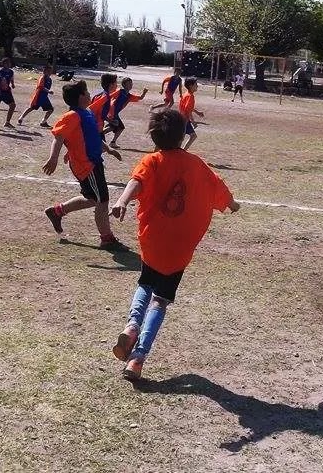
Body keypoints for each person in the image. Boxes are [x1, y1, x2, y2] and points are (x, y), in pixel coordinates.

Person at [110, 108, 239, 380]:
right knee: (160, 301)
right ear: (182, 136)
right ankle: (137, 359)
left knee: (145, 283)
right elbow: (219, 188)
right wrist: (232, 203)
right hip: (180, 247)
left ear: (153, 137)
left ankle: (132, 326)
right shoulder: (197, 165)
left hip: (154, 239)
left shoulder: (152, 161)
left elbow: (136, 182)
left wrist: (122, 200)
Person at [41, 80, 124, 249]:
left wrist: (108, 149)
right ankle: (107, 239)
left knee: (93, 198)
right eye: (86, 92)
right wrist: (53, 158)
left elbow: (91, 136)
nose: (89, 94)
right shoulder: (72, 116)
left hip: (93, 162)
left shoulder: (86, 113)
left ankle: (57, 211)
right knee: (102, 201)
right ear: (80, 97)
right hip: (86, 165)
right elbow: (59, 137)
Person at [103, 77, 148, 148]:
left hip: (115, 114)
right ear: (124, 85)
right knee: (118, 127)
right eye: (128, 83)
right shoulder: (119, 91)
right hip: (112, 113)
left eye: (131, 83)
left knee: (116, 127)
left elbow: (140, 98)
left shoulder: (129, 96)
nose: (130, 85)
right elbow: (109, 96)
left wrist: (144, 92)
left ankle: (109, 140)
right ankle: (101, 136)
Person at [179, 77, 204, 151]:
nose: (197, 86)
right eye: (196, 84)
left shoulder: (186, 94)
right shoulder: (190, 96)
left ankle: (181, 152)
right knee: (186, 137)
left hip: (182, 118)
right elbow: (188, 110)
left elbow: (188, 107)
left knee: (185, 137)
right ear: (191, 86)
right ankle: (180, 152)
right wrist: (193, 122)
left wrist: (197, 112)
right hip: (184, 120)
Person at [0, 57, 17, 128]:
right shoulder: (0, 71)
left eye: (9, 63)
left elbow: (11, 78)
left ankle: (7, 122)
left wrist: (12, 84)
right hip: (0, 91)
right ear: (3, 64)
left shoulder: (11, 71)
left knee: (13, 105)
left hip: (7, 91)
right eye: (7, 63)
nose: (9, 64)